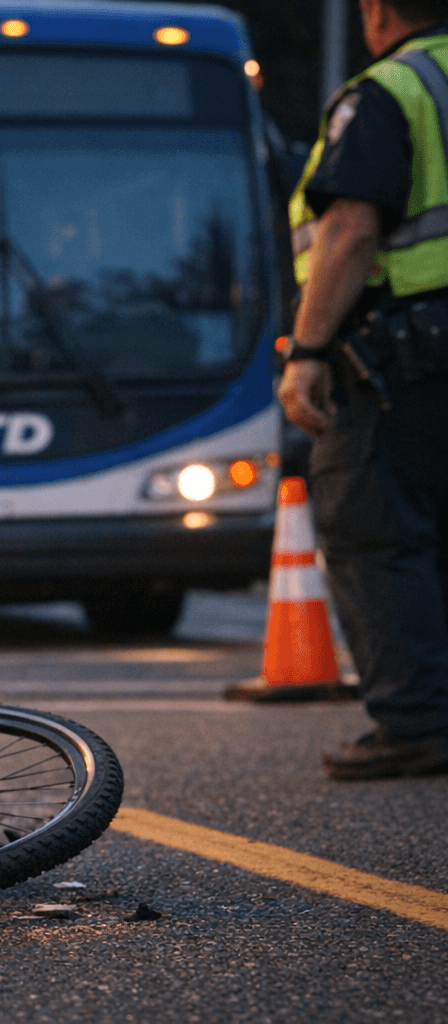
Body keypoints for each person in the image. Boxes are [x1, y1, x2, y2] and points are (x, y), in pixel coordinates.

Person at [280, 0, 448, 779]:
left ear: (377, 10)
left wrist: (309, 349)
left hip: (404, 353)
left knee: (375, 526)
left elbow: (350, 227)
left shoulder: (389, 90)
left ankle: (416, 722)